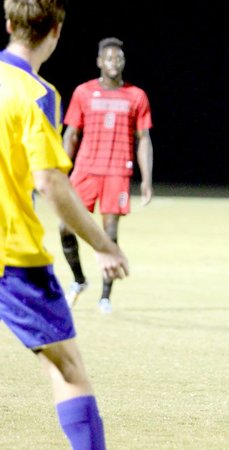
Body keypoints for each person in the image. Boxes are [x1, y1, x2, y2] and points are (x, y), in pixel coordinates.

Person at [0, 0, 130, 448]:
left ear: (8, 23)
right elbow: (52, 183)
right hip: (11, 256)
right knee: (66, 367)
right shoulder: (36, 93)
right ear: (55, 32)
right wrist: (104, 245)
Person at [59, 36, 153, 314]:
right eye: (109, 58)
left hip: (116, 172)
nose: (115, 62)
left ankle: (105, 296)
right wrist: (62, 168)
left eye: (119, 58)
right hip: (86, 170)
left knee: (110, 235)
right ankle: (78, 280)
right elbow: (72, 134)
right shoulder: (84, 92)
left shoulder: (136, 95)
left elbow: (144, 138)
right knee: (65, 226)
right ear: (100, 62)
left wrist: (147, 179)